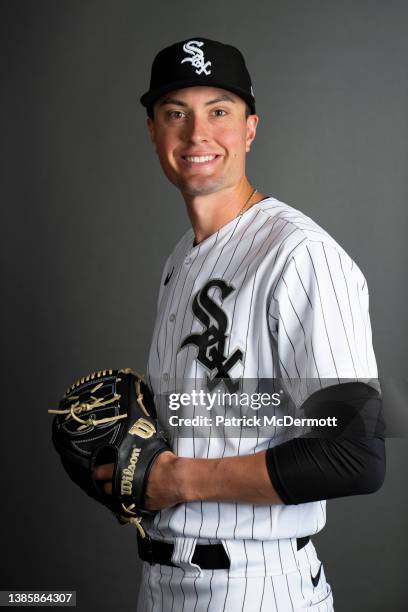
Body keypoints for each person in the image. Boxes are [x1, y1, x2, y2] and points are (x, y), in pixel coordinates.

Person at [95, 37, 385, 611]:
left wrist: (176, 480)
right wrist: (127, 458)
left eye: (219, 112)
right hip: (163, 581)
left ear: (250, 128)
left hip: (257, 586)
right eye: (176, 113)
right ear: (152, 130)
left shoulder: (301, 255)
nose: (197, 134)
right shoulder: (182, 256)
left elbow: (356, 455)